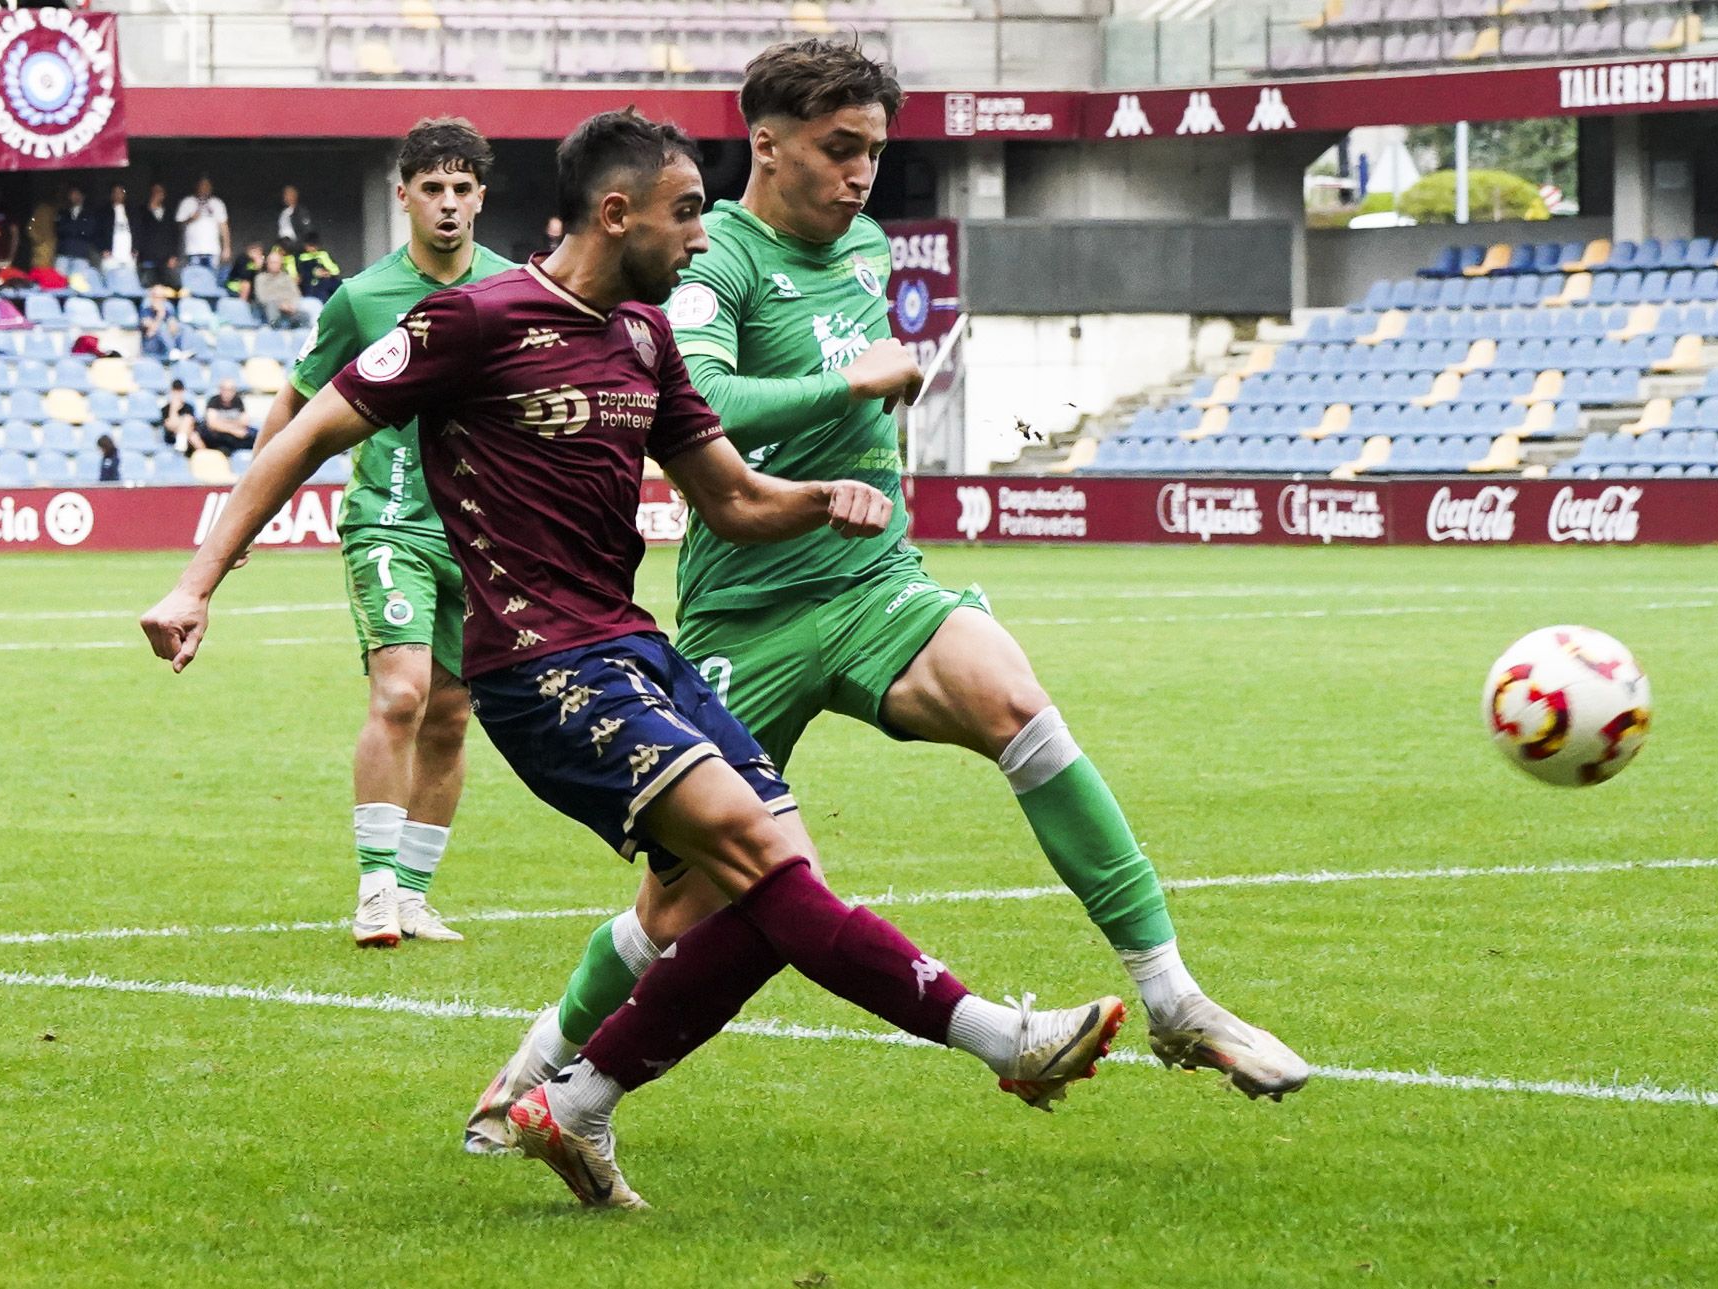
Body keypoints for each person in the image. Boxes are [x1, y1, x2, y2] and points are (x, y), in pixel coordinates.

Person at [140, 107, 1122, 1212]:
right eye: (685, 214)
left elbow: (734, 501)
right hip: (536, 667)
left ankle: (575, 1097)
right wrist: (195, 581)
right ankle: (1001, 1037)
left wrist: (819, 500)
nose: (701, 240)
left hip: (636, 649)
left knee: (748, 888)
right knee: (762, 856)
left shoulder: (646, 341)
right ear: (616, 213)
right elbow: (310, 431)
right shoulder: (470, 320)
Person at [464, 40, 1308, 1154]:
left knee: (1017, 705)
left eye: (872, 150)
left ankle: (1171, 997)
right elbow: (702, 401)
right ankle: (544, 1069)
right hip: (746, 616)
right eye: (837, 148)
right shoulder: (711, 262)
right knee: (691, 903)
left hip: (873, 583)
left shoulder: (863, 244)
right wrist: (849, 382)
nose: (861, 173)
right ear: (764, 145)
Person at [251, 117, 518, 947]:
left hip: (479, 538)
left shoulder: (516, 290)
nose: (447, 204)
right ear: (402, 195)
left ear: (481, 196)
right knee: (401, 693)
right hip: (390, 523)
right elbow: (297, 404)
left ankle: (412, 893)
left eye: (461, 188)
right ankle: (372, 892)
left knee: (450, 715)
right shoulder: (362, 299)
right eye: (430, 188)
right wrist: (249, 506)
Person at [176, 176, 230, 274]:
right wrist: (191, 219)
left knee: (211, 278)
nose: (205, 188)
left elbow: (224, 226)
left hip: (212, 251)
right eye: (202, 185)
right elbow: (179, 225)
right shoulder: (187, 202)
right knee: (195, 279)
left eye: (207, 186)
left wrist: (226, 247)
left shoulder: (217, 203)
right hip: (193, 251)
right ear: (197, 186)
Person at [54, 185, 102, 283]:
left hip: (81, 254)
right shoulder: (63, 213)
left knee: (78, 284)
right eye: (73, 194)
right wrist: (77, 228)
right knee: (59, 283)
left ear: (83, 196)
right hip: (63, 253)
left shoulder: (89, 214)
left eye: (78, 194)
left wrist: (71, 228)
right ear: (69, 196)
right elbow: (59, 230)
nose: (76, 196)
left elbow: (89, 231)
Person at [249, 245, 306, 328]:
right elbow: (262, 297)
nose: (274, 265)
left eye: (276, 262)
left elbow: (296, 294)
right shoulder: (260, 278)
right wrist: (280, 304)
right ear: (267, 264)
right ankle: (276, 332)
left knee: (305, 316)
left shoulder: (287, 278)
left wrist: (291, 305)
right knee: (271, 308)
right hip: (269, 308)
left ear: (281, 264)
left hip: (288, 308)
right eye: (272, 262)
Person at [136, 181, 179, 285]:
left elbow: (174, 235)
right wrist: (150, 208)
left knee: (168, 287)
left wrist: (174, 255)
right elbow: (138, 231)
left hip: (166, 259)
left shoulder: (169, 212)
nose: (158, 194)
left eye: (160, 192)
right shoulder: (142, 211)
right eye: (155, 192)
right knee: (148, 286)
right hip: (147, 258)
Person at [201, 377, 252, 453]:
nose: (227, 393)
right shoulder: (213, 401)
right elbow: (212, 424)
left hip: (234, 436)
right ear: (220, 390)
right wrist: (233, 430)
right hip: (219, 436)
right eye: (224, 389)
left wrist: (222, 423)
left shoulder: (238, 401)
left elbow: (245, 421)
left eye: (230, 390)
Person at [101, 182, 140, 275]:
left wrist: (136, 248)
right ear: (111, 195)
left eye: (121, 192)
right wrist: (103, 249)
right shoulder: (104, 212)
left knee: (128, 283)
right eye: (115, 192)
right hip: (110, 257)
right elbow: (99, 232)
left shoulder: (132, 212)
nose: (118, 195)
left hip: (128, 256)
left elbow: (138, 231)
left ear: (124, 194)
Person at [139, 282, 182, 360]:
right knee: (161, 326)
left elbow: (174, 330)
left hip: (165, 345)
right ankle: (172, 352)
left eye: (161, 297)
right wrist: (160, 315)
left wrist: (171, 325)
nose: (158, 300)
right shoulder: (146, 309)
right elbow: (150, 332)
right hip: (151, 346)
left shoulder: (168, 309)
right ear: (151, 297)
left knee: (184, 327)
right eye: (156, 297)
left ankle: (179, 352)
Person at [158, 380, 201, 455]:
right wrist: (173, 409)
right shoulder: (165, 409)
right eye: (175, 390)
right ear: (171, 391)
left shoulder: (189, 407)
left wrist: (181, 426)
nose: (177, 393)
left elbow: (192, 424)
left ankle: (182, 443)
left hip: (188, 436)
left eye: (179, 390)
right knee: (192, 433)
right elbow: (170, 426)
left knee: (192, 433)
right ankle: (182, 443)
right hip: (171, 437)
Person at [292, 235, 341, 299]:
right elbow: (299, 274)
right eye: (309, 246)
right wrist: (314, 273)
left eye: (313, 246)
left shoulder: (323, 254)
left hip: (323, 281)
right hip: (308, 283)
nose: (311, 249)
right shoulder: (299, 256)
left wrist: (327, 273)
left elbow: (335, 270)